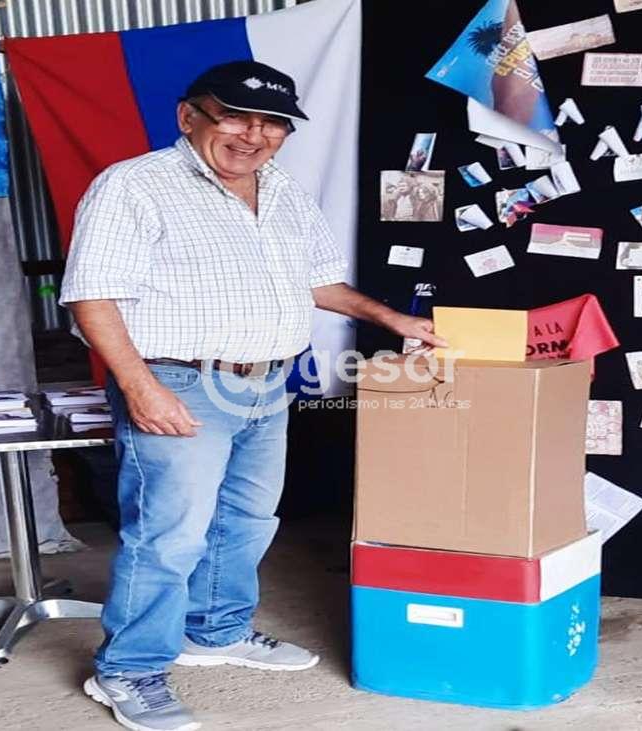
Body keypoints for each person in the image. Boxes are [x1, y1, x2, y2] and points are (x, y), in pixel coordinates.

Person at [58, 60, 445, 731]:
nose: (254, 135)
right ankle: (128, 669)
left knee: (246, 519)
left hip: (266, 382)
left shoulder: (283, 188)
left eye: (273, 123)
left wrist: (393, 320)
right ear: (189, 117)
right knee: (168, 535)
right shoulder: (135, 186)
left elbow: (318, 282)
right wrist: (140, 387)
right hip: (177, 379)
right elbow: (92, 296)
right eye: (235, 117)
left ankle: (215, 631)